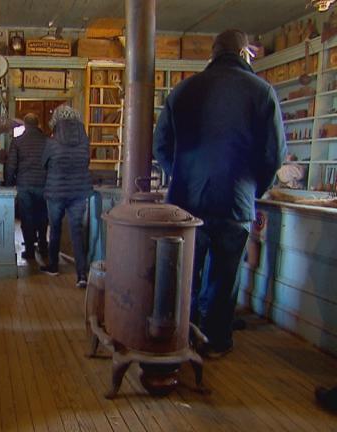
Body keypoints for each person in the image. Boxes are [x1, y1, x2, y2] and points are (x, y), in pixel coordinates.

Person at [153, 29, 285, 358]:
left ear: (211, 55)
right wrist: (255, 186)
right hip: (234, 199)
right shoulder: (261, 92)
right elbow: (274, 154)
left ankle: (182, 334)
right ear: (244, 54)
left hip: (185, 199)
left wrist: (179, 173)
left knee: (185, 276)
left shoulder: (183, 90)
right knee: (224, 278)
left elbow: (160, 145)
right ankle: (214, 342)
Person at [40, 105, 93, 287]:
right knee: (77, 231)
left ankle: (54, 266)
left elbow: (44, 164)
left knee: (55, 229)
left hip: (55, 192)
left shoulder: (51, 142)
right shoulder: (85, 141)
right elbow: (87, 162)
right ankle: (81, 275)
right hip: (79, 191)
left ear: (56, 121)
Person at [4, 112, 49, 261]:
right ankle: (43, 246)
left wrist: (9, 184)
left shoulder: (18, 142)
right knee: (43, 217)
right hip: (44, 185)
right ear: (38, 124)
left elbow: (11, 166)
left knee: (27, 218)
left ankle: (29, 250)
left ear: (25, 124)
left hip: (25, 185)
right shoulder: (47, 141)